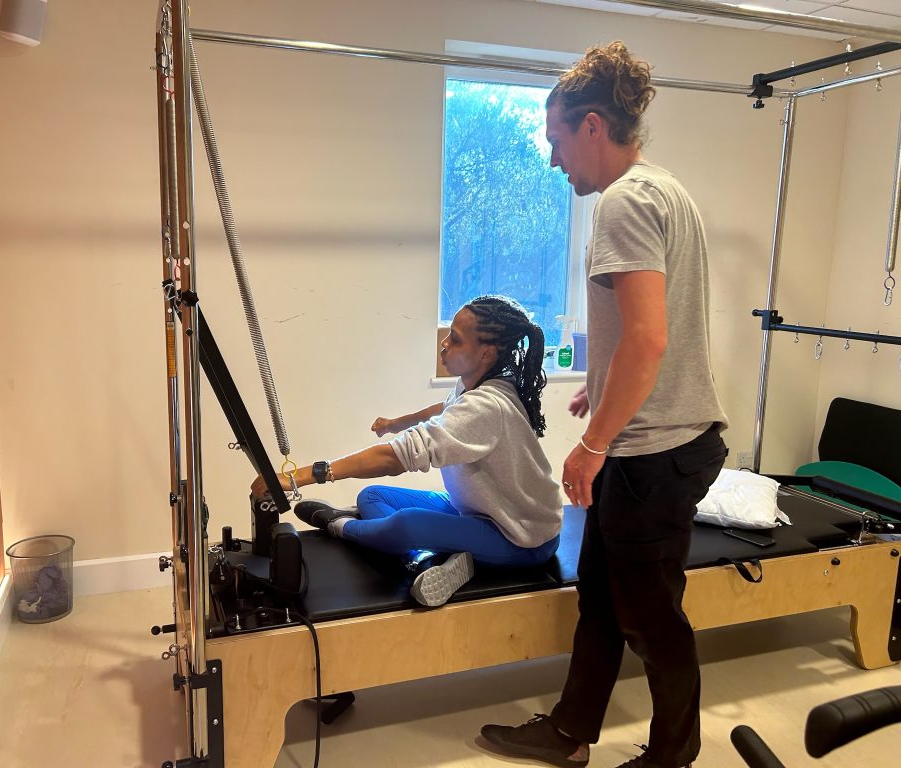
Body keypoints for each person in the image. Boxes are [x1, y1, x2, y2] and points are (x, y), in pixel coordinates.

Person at [480, 42, 728, 768]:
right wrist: (605, 382)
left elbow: (649, 340)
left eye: (557, 139)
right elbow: (649, 334)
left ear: (592, 127)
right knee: (600, 595)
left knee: (651, 617)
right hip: (651, 434)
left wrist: (592, 445)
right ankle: (569, 731)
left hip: (658, 448)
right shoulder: (663, 189)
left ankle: (672, 756)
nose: (555, 160)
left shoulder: (623, 202)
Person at [251, 295, 563, 607]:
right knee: (372, 497)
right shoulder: (478, 384)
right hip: (476, 510)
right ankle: (425, 557)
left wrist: (300, 477)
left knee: (408, 523)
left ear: (486, 353)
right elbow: (445, 408)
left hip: (520, 536)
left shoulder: (486, 406)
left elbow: (393, 458)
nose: (444, 345)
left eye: (455, 339)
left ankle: (338, 524)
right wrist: (396, 423)